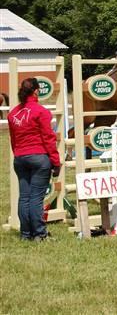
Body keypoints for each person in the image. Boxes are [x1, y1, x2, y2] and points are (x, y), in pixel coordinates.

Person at [8, 78, 62, 241]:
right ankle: (39, 233)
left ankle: (26, 234)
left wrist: (18, 153)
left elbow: (13, 140)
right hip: (39, 157)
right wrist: (56, 161)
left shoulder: (13, 114)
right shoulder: (41, 112)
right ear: (36, 91)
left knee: (24, 197)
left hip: (20, 158)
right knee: (36, 198)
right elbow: (48, 139)